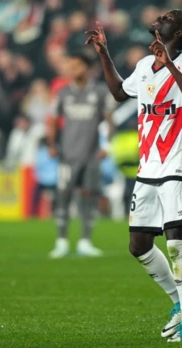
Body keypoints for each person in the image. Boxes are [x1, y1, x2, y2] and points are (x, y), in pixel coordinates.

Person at [85, 9, 182, 342]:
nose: (159, 18)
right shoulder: (143, 65)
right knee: (138, 246)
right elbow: (120, 93)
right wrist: (105, 55)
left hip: (177, 167)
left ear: (179, 32)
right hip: (149, 167)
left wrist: (169, 64)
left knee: (176, 242)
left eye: (167, 17)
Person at [47, 54, 114, 259]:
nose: (71, 69)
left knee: (89, 196)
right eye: (70, 65)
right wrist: (52, 144)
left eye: (76, 65)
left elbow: (110, 121)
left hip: (92, 154)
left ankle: (85, 241)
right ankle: (62, 242)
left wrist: (106, 144)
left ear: (86, 67)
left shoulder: (101, 91)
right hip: (68, 155)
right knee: (63, 197)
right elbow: (52, 120)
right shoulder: (62, 93)